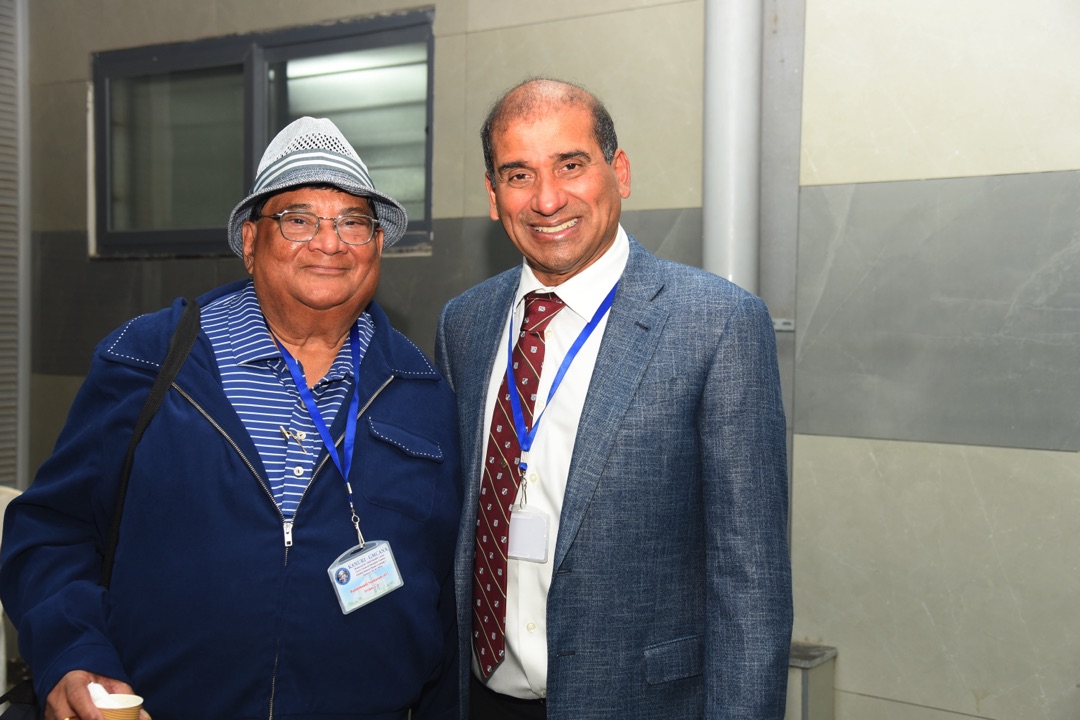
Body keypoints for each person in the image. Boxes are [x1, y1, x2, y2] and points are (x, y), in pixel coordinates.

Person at [1, 117, 461, 720]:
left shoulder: (423, 393)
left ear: (376, 245)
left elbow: (448, 593)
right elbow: (51, 532)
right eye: (298, 220)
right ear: (250, 241)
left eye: (353, 222)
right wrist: (73, 653)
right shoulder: (149, 361)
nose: (330, 243)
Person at [435, 78, 793, 719]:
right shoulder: (464, 324)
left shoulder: (717, 323)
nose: (547, 199)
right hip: (480, 699)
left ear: (619, 172)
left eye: (570, 165)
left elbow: (751, 578)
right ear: (492, 195)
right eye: (518, 175)